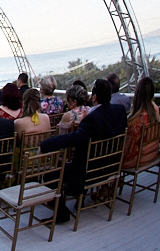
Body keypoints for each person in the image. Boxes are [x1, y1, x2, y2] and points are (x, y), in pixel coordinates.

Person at [40, 78, 128, 223]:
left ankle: (61, 213)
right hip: (111, 166)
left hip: (90, 170)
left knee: (49, 176)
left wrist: (46, 144)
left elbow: (76, 138)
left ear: (94, 97)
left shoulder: (92, 119)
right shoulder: (119, 111)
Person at [122, 77, 160, 168]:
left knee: (112, 161)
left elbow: (129, 149)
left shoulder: (138, 119)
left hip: (139, 159)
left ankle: (116, 182)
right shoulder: (155, 109)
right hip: (152, 154)